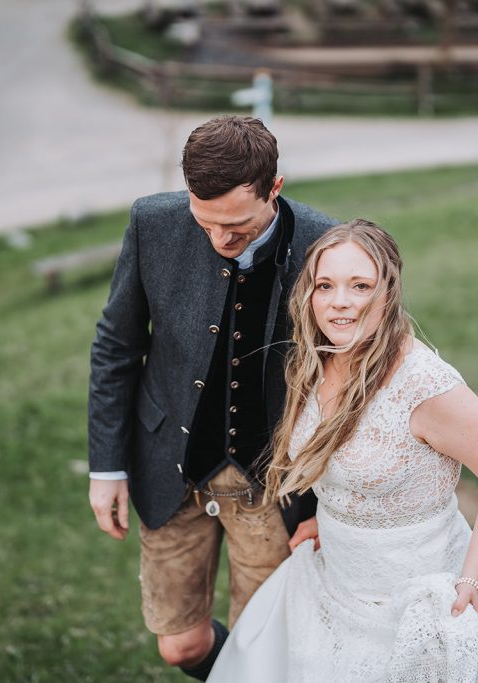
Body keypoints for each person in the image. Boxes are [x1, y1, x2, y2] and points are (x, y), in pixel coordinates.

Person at [208, 219, 478, 682]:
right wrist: (330, 509)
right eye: (325, 285)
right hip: (333, 583)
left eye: (359, 285)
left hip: (406, 599)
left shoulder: (425, 386)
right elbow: (335, 456)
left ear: (388, 293)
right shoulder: (317, 359)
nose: (339, 302)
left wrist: (469, 579)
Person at [87, 115, 335, 680]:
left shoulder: (326, 243)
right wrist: (106, 468)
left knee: (267, 652)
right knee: (181, 646)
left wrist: (322, 509)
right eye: (206, 223)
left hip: (272, 484)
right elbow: (115, 348)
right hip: (167, 470)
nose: (220, 240)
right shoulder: (152, 223)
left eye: (238, 225)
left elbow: (342, 385)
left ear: (274, 189)